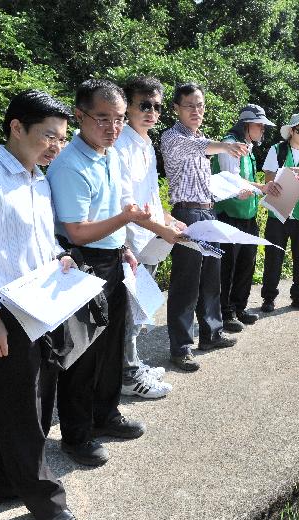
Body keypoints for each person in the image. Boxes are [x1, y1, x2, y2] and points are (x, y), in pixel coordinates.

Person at [0, 90, 83, 520]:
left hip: (39, 303)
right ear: (16, 127)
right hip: (2, 313)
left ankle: (6, 482)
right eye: (49, 136)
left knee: (36, 402)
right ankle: (45, 499)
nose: (56, 147)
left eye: (62, 139)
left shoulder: (36, 179)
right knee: (20, 409)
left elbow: (39, 240)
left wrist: (58, 257)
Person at [47, 79, 152, 468]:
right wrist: (124, 220)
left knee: (110, 347)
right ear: (79, 115)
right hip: (80, 263)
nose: (113, 128)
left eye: (120, 119)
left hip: (111, 259)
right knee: (82, 353)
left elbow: (110, 209)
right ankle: (76, 436)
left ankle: (105, 415)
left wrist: (123, 244)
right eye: (103, 119)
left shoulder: (109, 154)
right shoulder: (69, 164)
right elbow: (76, 230)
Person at [160, 82, 250, 369]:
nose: (196, 111)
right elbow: (200, 146)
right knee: (186, 284)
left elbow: (205, 182)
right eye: (190, 106)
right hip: (185, 215)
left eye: (200, 105)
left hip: (208, 213)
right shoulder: (173, 137)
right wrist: (225, 145)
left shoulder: (202, 140)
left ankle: (211, 333)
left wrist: (235, 190)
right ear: (176, 108)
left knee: (212, 278)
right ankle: (181, 347)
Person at [115, 75, 187, 399]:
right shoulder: (121, 144)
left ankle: (132, 364)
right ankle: (128, 376)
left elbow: (151, 197)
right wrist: (163, 229)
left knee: (141, 310)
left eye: (157, 107)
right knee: (129, 312)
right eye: (144, 105)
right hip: (131, 242)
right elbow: (126, 204)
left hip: (152, 241)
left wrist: (170, 219)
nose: (151, 112)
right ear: (127, 106)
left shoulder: (145, 143)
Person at [211, 104, 279, 332]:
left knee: (246, 263)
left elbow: (246, 181)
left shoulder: (248, 147)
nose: (262, 130)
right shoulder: (229, 144)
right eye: (259, 125)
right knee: (228, 266)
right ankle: (226, 312)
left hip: (248, 213)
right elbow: (231, 180)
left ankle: (239, 307)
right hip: (229, 214)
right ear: (246, 125)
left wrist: (261, 188)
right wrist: (262, 186)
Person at [260, 111, 299, 313]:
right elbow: (268, 178)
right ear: (291, 131)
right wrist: (288, 174)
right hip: (279, 210)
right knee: (273, 256)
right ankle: (268, 298)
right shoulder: (277, 150)